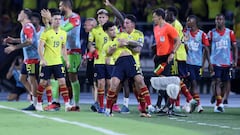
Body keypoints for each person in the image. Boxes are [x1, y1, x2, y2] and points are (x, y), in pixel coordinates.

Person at [103, 21, 155, 117]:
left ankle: (150, 105)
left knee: (140, 81)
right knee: (113, 84)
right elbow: (109, 51)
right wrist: (118, 44)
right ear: (106, 32)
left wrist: (128, 42)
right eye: (111, 30)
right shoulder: (107, 43)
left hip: (130, 60)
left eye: (114, 29)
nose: (114, 31)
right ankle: (108, 109)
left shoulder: (123, 35)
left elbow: (136, 44)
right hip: (119, 63)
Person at [4, 9, 39, 111]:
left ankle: (36, 102)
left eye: (20, 13)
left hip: (33, 58)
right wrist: (14, 40)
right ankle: (34, 98)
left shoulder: (27, 27)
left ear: (25, 16)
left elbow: (29, 41)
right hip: (28, 59)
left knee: (32, 80)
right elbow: (26, 39)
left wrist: (14, 47)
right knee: (22, 79)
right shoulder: (26, 27)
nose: (18, 15)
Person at [36, 11, 72, 112]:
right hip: (47, 62)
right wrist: (42, 59)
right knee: (43, 83)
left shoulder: (63, 33)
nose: (58, 21)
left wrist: (67, 60)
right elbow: (40, 47)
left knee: (62, 82)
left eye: (59, 19)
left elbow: (63, 48)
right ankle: (39, 103)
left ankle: (67, 104)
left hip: (58, 62)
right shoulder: (46, 32)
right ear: (51, 20)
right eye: (55, 19)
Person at [165, 7, 197, 113]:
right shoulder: (175, 24)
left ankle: (189, 99)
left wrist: (171, 53)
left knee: (176, 80)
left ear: (172, 14)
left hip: (177, 55)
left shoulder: (176, 25)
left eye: (167, 13)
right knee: (176, 80)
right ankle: (178, 104)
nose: (165, 15)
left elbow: (176, 41)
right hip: (179, 55)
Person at [88, 8, 121, 113]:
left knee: (110, 84)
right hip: (99, 61)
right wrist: (91, 49)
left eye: (103, 17)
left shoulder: (113, 29)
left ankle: (111, 104)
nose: (101, 19)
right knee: (101, 83)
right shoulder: (94, 30)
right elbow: (90, 43)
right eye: (99, 17)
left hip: (111, 61)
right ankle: (101, 106)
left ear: (107, 18)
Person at [152, 8, 181, 112]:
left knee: (164, 80)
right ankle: (164, 105)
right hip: (158, 58)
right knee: (160, 81)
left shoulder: (169, 27)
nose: (153, 19)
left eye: (154, 17)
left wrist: (172, 53)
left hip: (166, 58)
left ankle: (167, 105)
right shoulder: (155, 28)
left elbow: (178, 40)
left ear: (160, 17)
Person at [208, 14, 238, 112]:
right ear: (215, 21)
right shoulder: (211, 33)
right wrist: (208, 62)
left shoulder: (230, 33)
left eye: (220, 19)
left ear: (224, 21)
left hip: (227, 62)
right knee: (216, 81)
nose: (218, 21)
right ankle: (219, 103)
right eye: (217, 19)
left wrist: (235, 60)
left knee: (226, 82)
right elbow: (207, 48)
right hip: (215, 62)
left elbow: (234, 47)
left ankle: (223, 98)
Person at [183, 15, 212, 113]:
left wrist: (209, 64)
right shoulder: (185, 33)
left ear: (194, 22)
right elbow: (184, 48)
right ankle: (199, 105)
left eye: (189, 20)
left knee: (192, 85)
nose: (187, 22)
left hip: (198, 64)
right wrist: (185, 42)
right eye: (187, 20)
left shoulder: (202, 34)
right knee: (193, 84)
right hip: (188, 63)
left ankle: (188, 102)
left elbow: (207, 49)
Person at [58, 0, 81, 111]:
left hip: (73, 51)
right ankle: (55, 102)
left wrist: (54, 27)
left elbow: (65, 29)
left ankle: (76, 104)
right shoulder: (61, 19)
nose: (59, 8)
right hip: (61, 51)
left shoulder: (75, 17)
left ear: (66, 6)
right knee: (56, 75)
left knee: (72, 76)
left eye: (60, 6)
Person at [82, 18, 99, 112]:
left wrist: (86, 57)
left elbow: (93, 48)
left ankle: (98, 102)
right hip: (90, 61)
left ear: (92, 26)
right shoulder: (88, 35)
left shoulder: (96, 34)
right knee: (93, 83)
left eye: (86, 25)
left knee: (97, 83)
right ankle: (96, 102)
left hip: (96, 60)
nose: (84, 26)